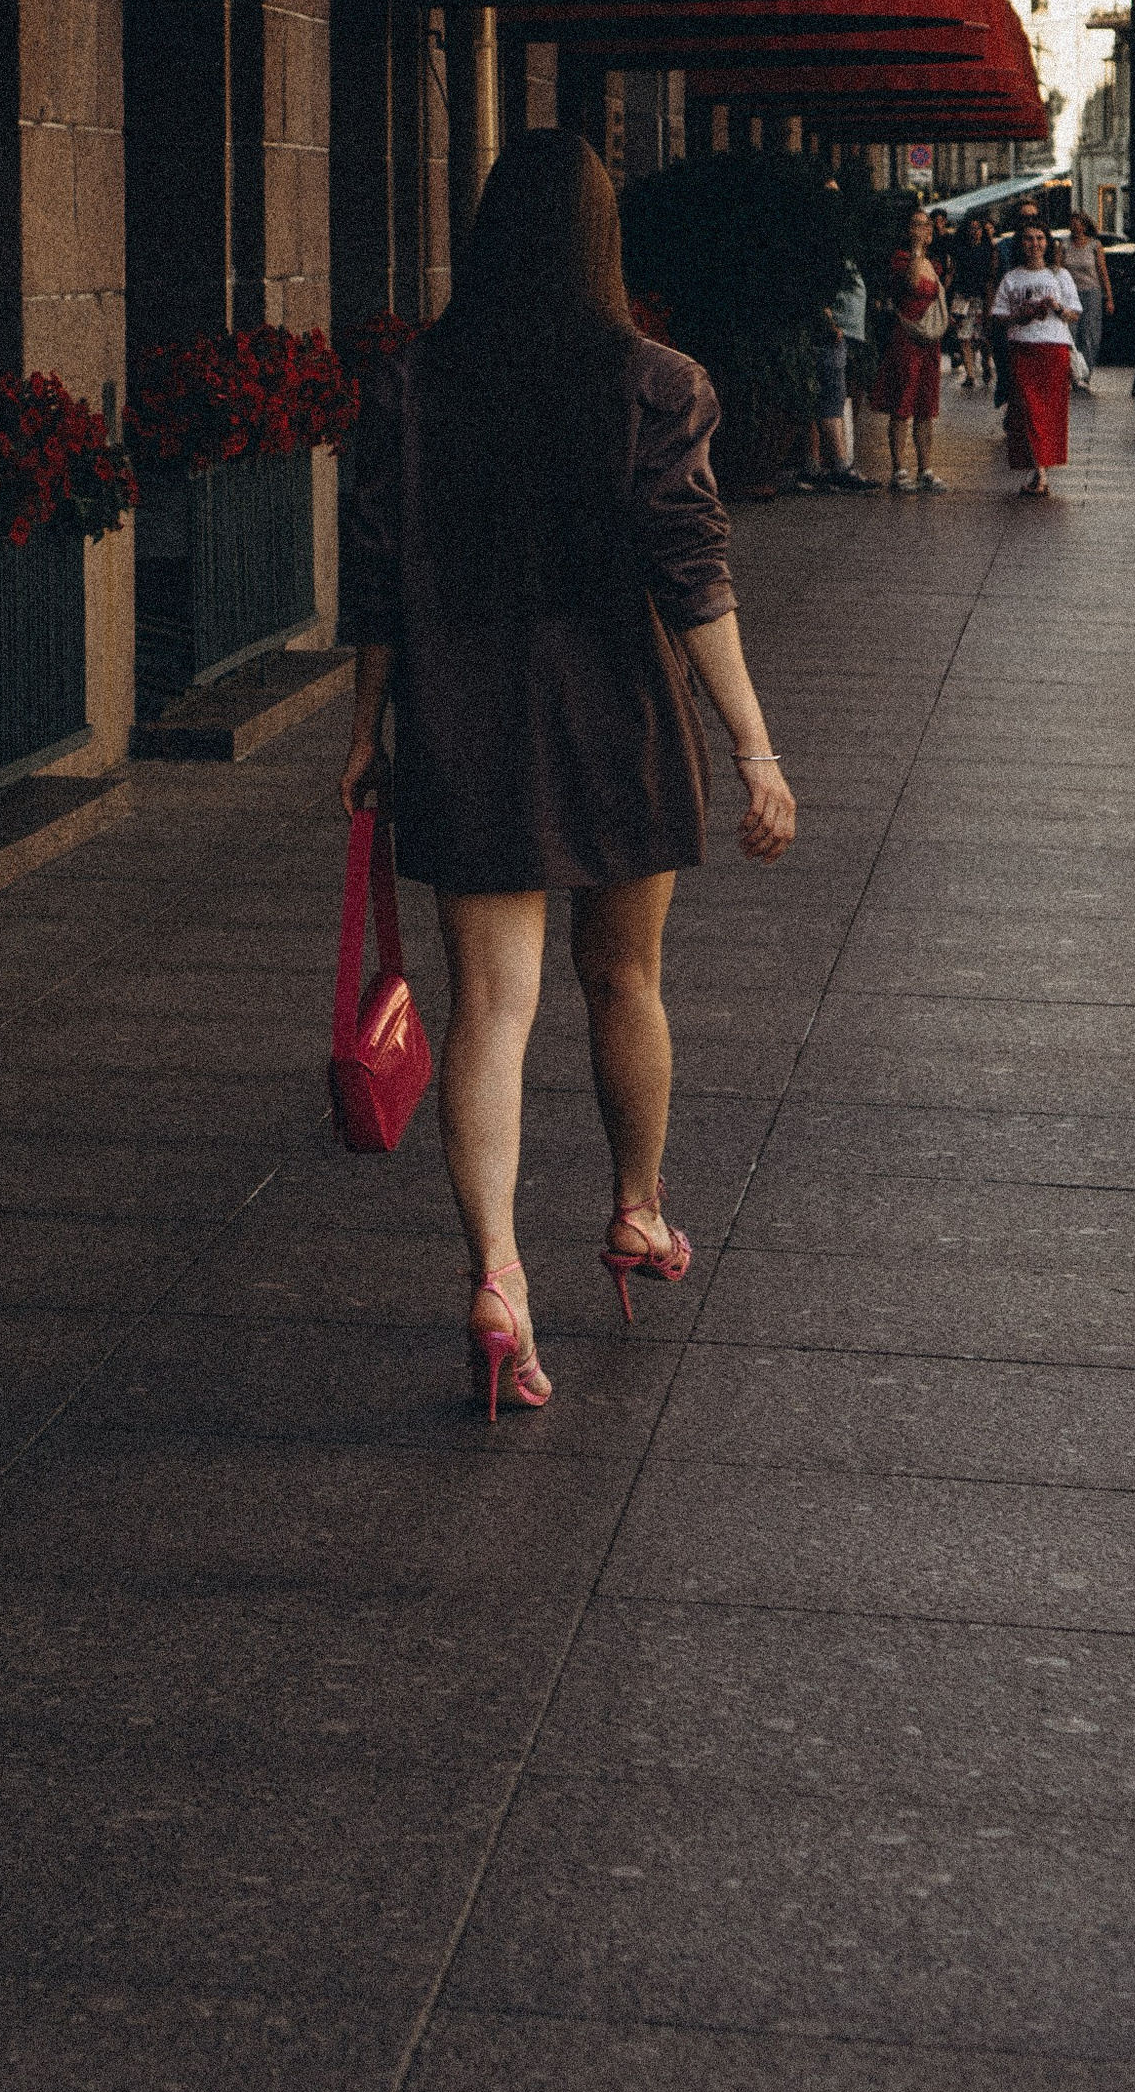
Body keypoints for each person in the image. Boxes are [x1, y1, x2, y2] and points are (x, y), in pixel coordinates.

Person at [336, 131, 796, 1425]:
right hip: (616, 718)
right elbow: (692, 576)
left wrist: (367, 728)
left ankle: (494, 1282)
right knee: (626, 977)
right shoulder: (656, 385)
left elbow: (374, 572)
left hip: (464, 718)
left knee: (491, 1011)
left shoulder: (413, 384)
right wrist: (754, 746)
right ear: (604, 241)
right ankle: (636, 1211)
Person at [992, 217, 1081, 496]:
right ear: (1020, 243)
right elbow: (999, 316)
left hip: (1054, 348)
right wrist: (1022, 314)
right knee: (1027, 410)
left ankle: (1038, 469)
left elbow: (1074, 313)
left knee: (1050, 413)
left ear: (1048, 242)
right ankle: (1040, 471)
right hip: (1023, 348)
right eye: (1029, 238)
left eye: (1040, 238)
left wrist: (1057, 308)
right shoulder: (1012, 277)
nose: (1035, 244)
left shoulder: (1060, 275)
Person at [874, 205, 948, 489]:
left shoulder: (936, 263)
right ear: (907, 230)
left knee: (926, 406)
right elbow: (913, 284)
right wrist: (917, 250)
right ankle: (898, 469)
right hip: (906, 337)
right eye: (917, 225)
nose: (923, 230)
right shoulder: (902, 259)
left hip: (929, 339)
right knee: (902, 402)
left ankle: (925, 468)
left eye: (927, 226)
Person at [796, 245, 872, 489]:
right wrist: (828, 323)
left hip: (838, 332)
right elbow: (817, 290)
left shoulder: (837, 249)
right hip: (832, 333)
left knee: (822, 395)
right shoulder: (829, 250)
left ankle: (813, 465)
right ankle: (839, 465)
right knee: (831, 396)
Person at [949, 211, 998, 394]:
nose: (974, 232)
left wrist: (990, 300)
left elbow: (992, 276)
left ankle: (985, 363)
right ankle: (970, 373)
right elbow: (953, 272)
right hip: (962, 296)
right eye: (971, 228)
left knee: (983, 337)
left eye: (977, 228)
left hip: (981, 297)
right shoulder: (960, 250)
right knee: (964, 335)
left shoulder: (989, 250)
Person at [1058, 212, 1109, 381]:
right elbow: (1057, 270)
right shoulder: (1064, 245)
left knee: (1090, 333)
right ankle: (1072, 372)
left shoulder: (1095, 245)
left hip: (1091, 293)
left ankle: (1085, 374)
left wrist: (1108, 296)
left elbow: (1102, 272)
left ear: (1085, 226)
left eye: (1078, 224)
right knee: (1071, 334)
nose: (1075, 227)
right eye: (1072, 224)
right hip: (1070, 294)